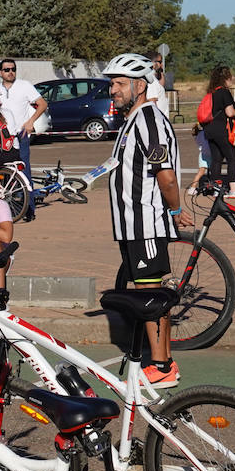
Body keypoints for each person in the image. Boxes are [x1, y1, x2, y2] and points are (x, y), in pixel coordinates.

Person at [102, 52, 189, 387]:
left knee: (151, 293)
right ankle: (163, 360)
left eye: (120, 83)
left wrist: (177, 210)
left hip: (146, 223)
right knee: (149, 291)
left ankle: (163, 366)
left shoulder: (149, 120)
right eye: (112, 84)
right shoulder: (133, 120)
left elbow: (165, 175)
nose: (113, 90)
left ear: (140, 85)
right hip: (131, 224)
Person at [0, 59, 47, 176]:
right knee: (4, 166)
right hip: (3, 134)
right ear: (0, 73)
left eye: (13, 69)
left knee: (23, 165)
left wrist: (31, 122)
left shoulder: (24, 86)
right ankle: (8, 192)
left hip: (20, 133)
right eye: (7, 70)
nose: (11, 72)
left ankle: (27, 193)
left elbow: (42, 104)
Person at [203, 65, 235, 200]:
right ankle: (233, 189)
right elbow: (230, 112)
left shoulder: (210, 93)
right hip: (222, 129)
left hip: (209, 130)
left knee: (216, 159)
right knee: (232, 158)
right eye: (230, 77)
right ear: (226, 78)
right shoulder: (224, 93)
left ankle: (216, 189)